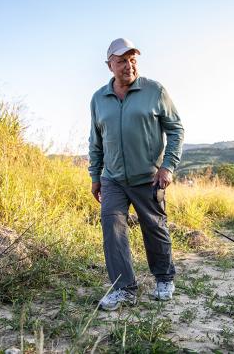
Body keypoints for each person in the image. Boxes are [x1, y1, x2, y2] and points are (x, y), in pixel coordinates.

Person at [88, 38, 184, 310]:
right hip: (113, 179)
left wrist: (168, 166)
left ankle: (164, 277)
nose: (128, 66)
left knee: (154, 228)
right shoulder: (98, 99)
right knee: (112, 229)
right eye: (121, 61)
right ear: (110, 66)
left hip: (149, 177)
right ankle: (124, 288)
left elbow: (176, 129)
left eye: (133, 60)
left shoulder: (155, 91)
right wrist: (95, 176)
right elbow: (95, 141)